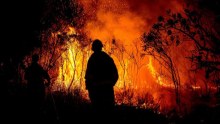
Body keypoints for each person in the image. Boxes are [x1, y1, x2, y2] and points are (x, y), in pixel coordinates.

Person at [85, 39, 119, 114]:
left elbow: (88, 75)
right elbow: (115, 74)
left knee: (98, 110)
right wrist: (110, 83)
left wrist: (89, 87)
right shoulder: (107, 58)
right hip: (105, 88)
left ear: (93, 48)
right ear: (101, 47)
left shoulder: (92, 59)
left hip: (97, 89)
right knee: (108, 110)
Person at [24, 54, 51, 120]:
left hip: (31, 88)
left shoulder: (29, 68)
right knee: (39, 104)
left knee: (31, 104)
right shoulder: (39, 68)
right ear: (37, 59)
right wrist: (48, 82)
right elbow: (46, 76)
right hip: (39, 89)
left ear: (32, 59)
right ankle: (39, 116)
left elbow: (25, 77)